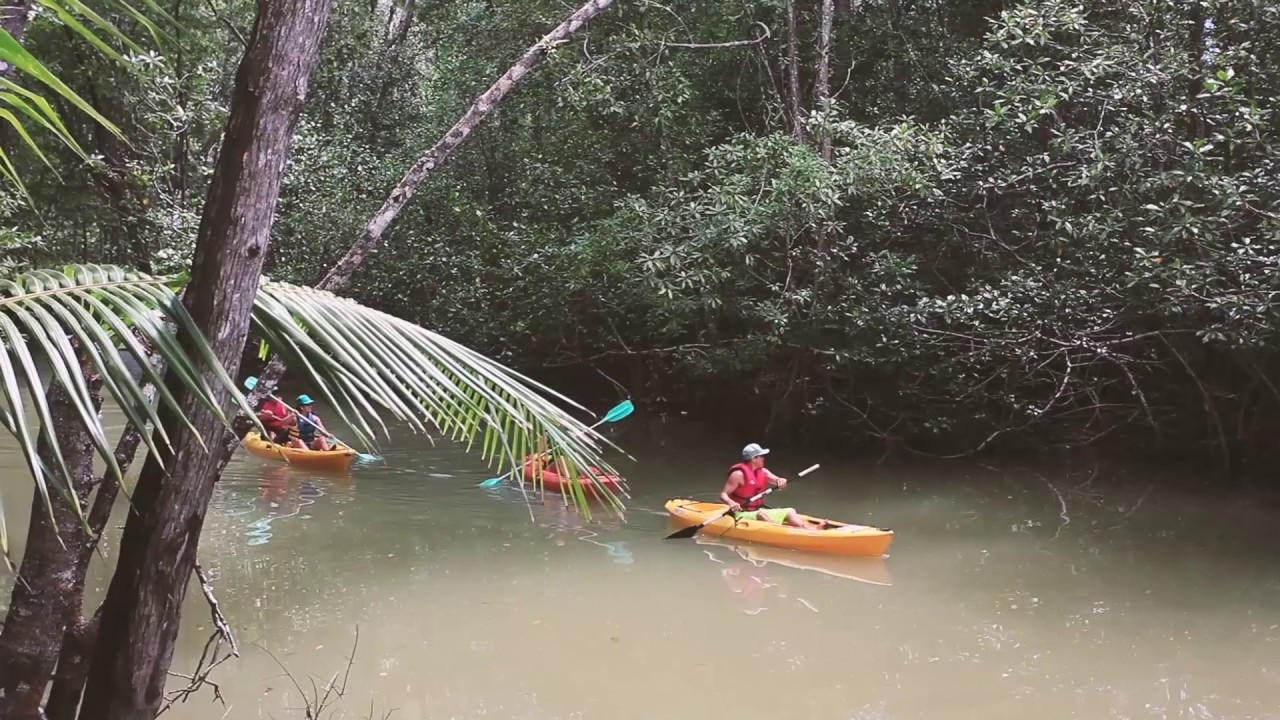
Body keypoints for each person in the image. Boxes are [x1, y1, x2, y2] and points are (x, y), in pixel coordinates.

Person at [721, 443, 825, 529]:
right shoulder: (738, 475)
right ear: (754, 459)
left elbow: (777, 481)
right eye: (761, 456)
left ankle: (808, 529)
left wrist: (781, 481)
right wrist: (731, 503)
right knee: (761, 515)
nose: (764, 458)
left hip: (758, 509)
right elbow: (723, 494)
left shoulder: (764, 472)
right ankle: (783, 531)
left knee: (790, 511)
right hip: (741, 512)